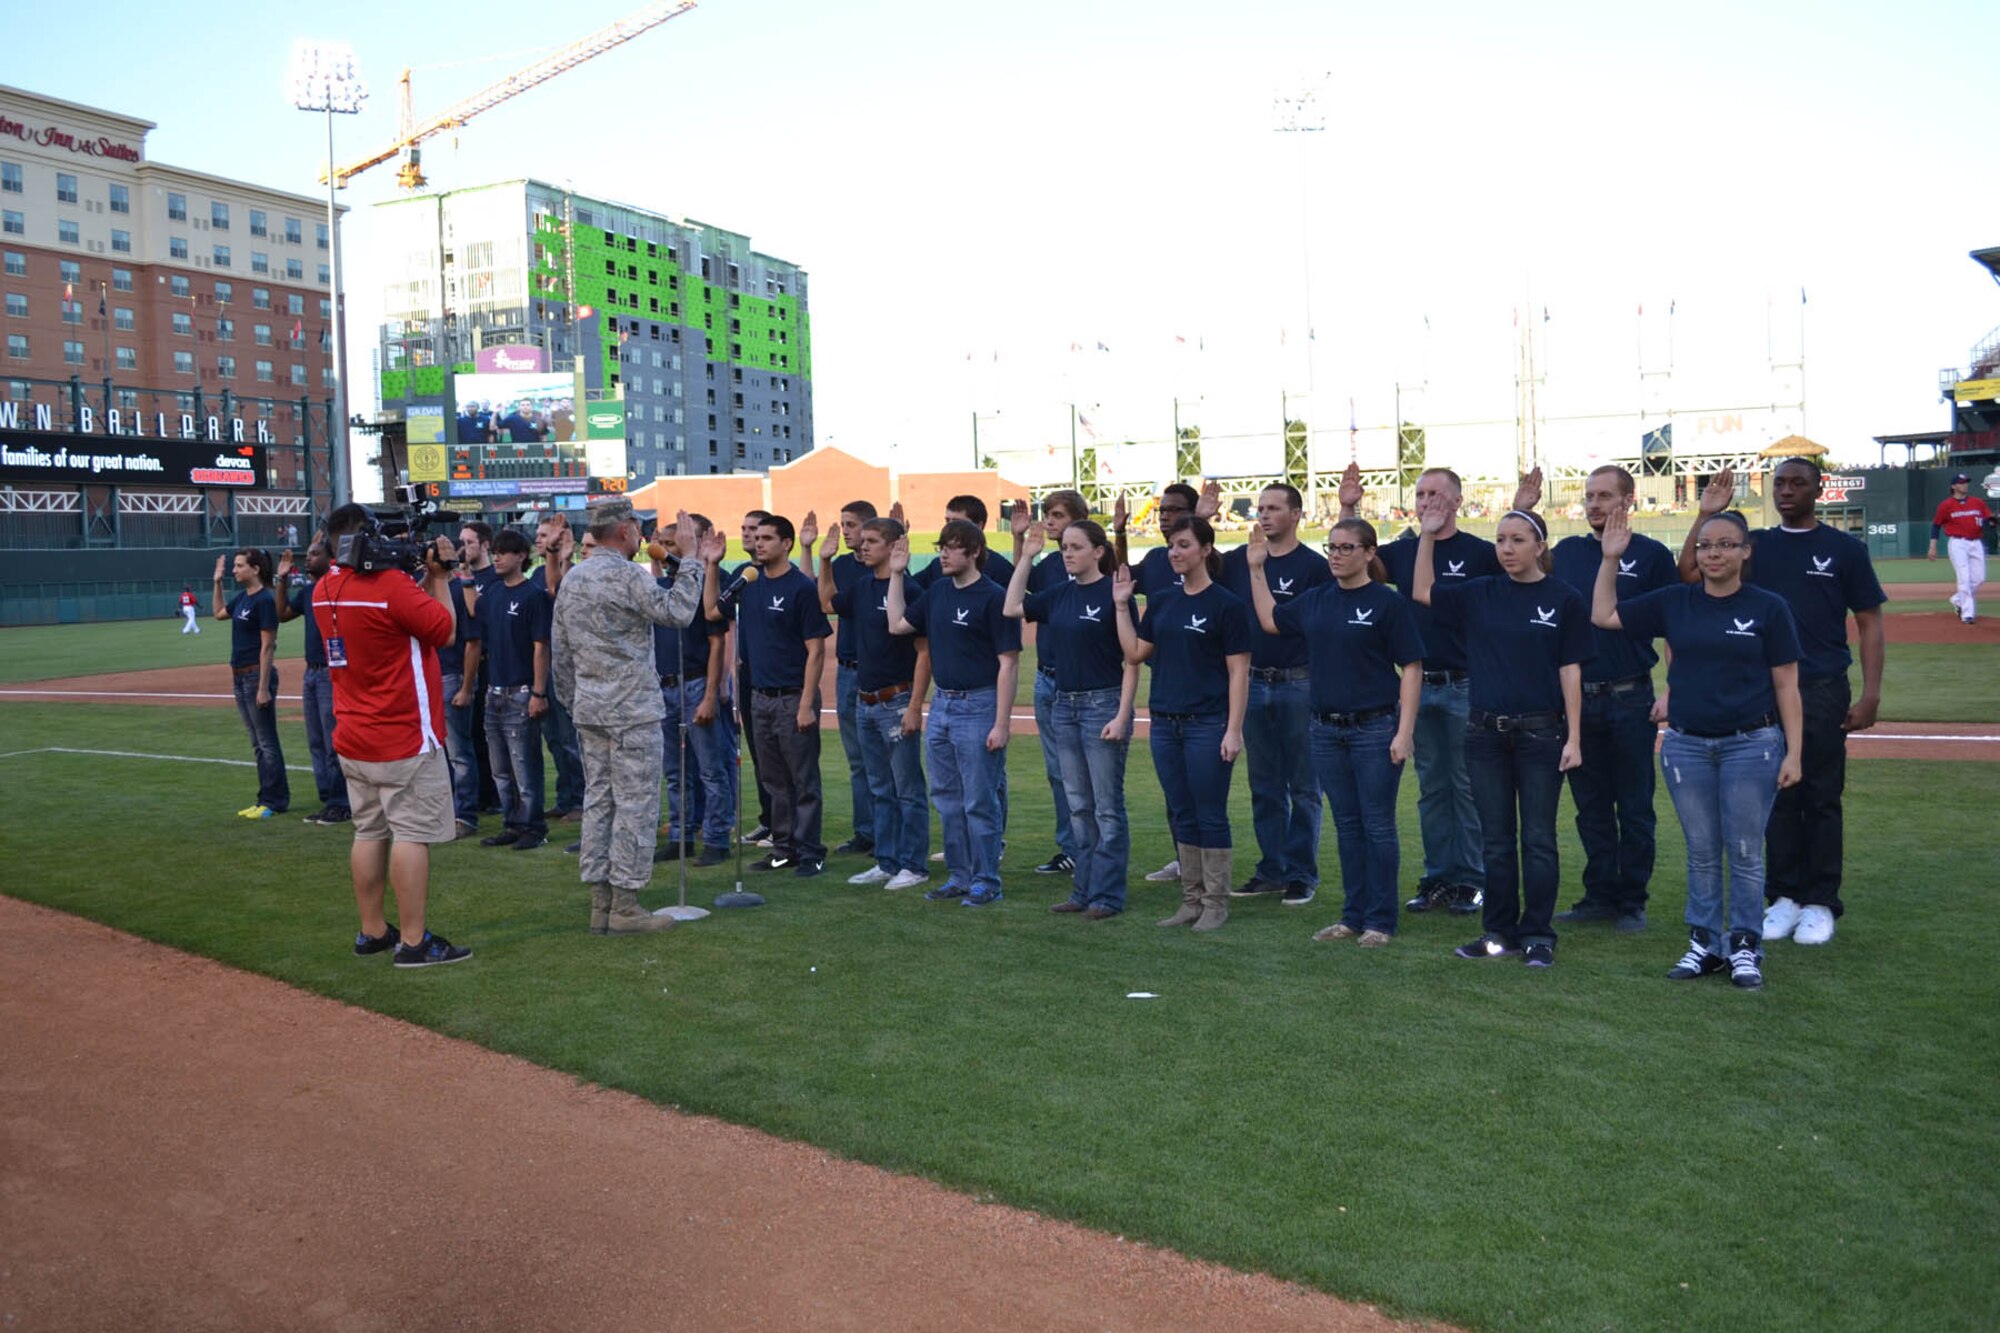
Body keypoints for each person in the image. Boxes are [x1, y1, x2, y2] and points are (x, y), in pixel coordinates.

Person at [1595, 506, 1802, 989]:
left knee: (1747, 851)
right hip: (1687, 745)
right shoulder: (1676, 601)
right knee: (1703, 852)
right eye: (1706, 545)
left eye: (1726, 544)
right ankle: (1705, 943)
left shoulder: (1769, 608)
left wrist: (1794, 751)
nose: (1714, 553)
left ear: (1745, 552)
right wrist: (1610, 561)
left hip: (1752, 744)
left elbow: (1788, 685)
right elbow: (1603, 614)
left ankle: (1745, 945)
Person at [1680, 461, 1885, 948]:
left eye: (1798, 483)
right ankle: (1785, 896)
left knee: (1820, 795)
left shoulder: (1844, 550)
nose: (1787, 491)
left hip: (1819, 687)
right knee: (1774, 799)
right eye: (1780, 484)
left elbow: (1870, 623)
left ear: (1819, 489)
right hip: (1761, 690)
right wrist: (1706, 513)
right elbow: (1689, 573)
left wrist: (1872, 692)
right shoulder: (1757, 547)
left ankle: (1819, 901)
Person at [1412, 503, 1590, 968]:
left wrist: (1573, 738)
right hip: (1484, 735)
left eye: (1517, 540)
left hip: (1541, 735)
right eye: (1500, 541)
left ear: (1540, 546)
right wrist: (1427, 535)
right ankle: (1498, 932)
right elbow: (1423, 591)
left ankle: (1538, 934)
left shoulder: (1564, 598)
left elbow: (1570, 670)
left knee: (1538, 839)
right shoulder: (1480, 593)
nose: (1507, 549)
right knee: (1495, 840)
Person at [1247, 518, 1422, 946]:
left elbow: (1413, 667)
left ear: (1369, 553)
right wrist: (1256, 569)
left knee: (1377, 825)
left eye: (1347, 548)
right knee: (1346, 825)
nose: (1337, 555)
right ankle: (1352, 916)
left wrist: (1404, 732)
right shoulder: (1315, 600)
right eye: (1332, 547)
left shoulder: (1387, 603)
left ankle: (1380, 921)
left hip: (1374, 728)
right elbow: (1271, 621)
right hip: (1325, 730)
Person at [314, 504, 471, 967]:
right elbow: (442, 630)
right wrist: (440, 578)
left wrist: (421, 578)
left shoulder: (327, 587)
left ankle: (373, 932)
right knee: (411, 834)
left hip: (355, 735)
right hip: (403, 735)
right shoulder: (389, 587)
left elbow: (405, 614)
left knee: (368, 832)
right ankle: (415, 942)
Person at [1342, 466, 1500, 916]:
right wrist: (1350, 507)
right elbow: (1358, 563)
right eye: (1420, 493)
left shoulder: (1480, 552)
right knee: (1431, 788)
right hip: (1418, 685)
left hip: (1465, 684)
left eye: (1435, 493)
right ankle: (1437, 878)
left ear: (1456, 500)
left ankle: (1471, 880)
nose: (1426, 501)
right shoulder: (1403, 549)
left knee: (1466, 787)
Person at [551, 499, 710, 935]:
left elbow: (560, 652)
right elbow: (678, 612)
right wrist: (692, 559)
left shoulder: (573, 579)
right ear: (624, 531)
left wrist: (575, 702)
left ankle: (600, 904)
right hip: (632, 712)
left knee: (599, 803)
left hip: (590, 710)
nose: (642, 538)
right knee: (636, 806)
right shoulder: (626, 576)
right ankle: (625, 905)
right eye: (638, 530)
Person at [1546, 466, 1676, 932]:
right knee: (1591, 805)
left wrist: (1671, 689)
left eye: (1605, 496)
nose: (1595, 504)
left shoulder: (1653, 555)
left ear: (1629, 499)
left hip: (1630, 696)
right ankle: (1599, 894)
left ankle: (1632, 900)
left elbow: (1675, 626)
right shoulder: (1567, 553)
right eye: (1589, 496)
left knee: (1635, 805)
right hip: (1578, 701)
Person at [1113, 515, 1251, 932]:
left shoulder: (1227, 605)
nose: (1175, 552)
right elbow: (1135, 653)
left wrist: (1233, 728)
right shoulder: (1163, 601)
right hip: (1165, 724)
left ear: (1206, 550)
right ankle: (1191, 901)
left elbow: (1239, 672)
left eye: (1184, 545)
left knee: (1210, 814)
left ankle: (1215, 903)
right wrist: (1122, 605)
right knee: (1182, 812)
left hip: (1207, 724)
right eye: (1171, 545)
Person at [1006, 517, 1139, 918]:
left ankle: (1108, 896)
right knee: (1078, 804)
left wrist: (1122, 713)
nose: (1067, 553)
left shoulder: (1115, 593)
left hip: (1103, 704)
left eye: (1076, 547)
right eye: (1063, 547)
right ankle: (1082, 891)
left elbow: (1132, 659)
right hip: (1064, 705)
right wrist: (1027, 557)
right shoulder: (1058, 594)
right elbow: (1011, 606)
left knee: (1106, 806)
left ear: (1098, 552)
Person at [890, 520, 1020, 906]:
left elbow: (1008, 663)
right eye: (941, 546)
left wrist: (1001, 723)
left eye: (952, 547)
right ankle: (960, 877)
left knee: (979, 800)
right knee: (946, 798)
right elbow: (897, 624)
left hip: (978, 706)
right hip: (942, 705)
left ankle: (986, 880)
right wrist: (897, 575)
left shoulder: (993, 597)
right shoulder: (937, 593)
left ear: (974, 551)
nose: (944, 554)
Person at [1219, 483, 1330, 906]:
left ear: (1297, 514)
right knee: (1264, 785)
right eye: (1260, 508)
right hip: (1252, 681)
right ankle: (1272, 869)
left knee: (1303, 785)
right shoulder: (1240, 561)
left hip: (1299, 681)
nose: (1263, 515)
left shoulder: (1314, 567)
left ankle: (1302, 873)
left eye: (1274, 508)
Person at [708, 512, 831, 877]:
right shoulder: (749, 583)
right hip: (759, 697)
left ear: (786, 544)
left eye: (766, 538)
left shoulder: (801, 588)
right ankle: (783, 849)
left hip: (794, 697)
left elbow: (817, 650)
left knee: (803, 780)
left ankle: (811, 852)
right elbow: (712, 610)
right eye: (756, 538)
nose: (758, 543)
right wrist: (712, 566)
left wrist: (807, 703)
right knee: (774, 780)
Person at [1114, 480, 1221, 885]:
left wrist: (1204, 523)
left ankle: (1211, 878)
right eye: (1161, 512)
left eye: (1175, 511)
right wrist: (1121, 531)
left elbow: (1215, 581)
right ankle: (1185, 864)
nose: (1165, 518)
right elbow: (1121, 574)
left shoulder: (1212, 562)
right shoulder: (1158, 559)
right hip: (1167, 689)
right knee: (1177, 796)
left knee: (1205, 799)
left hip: (1205, 696)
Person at [821, 516, 931, 891]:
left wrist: (915, 705)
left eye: (871, 541)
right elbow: (825, 602)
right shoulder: (863, 586)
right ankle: (887, 861)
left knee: (907, 789)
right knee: (880, 788)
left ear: (894, 546)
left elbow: (923, 652)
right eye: (862, 540)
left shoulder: (912, 590)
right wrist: (822, 560)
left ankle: (914, 865)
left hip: (896, 700)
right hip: (865, 701)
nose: (863, 546)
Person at [649, 515, 737, 868]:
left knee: (710, 769)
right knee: (675, 769)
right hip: (665, 685)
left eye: (674, 544)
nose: (668, 551)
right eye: (665, 545)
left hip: (697, 683)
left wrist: (711, 694)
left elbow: (718, 643)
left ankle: (717, 839)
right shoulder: (663, 586)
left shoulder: (704, 584)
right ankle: (680, 837)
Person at [1011, 488, 1090, 879]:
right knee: (1057, 771)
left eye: (1057, 515)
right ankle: (1071, 848)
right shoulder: (1050, 565)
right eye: (1049, 514)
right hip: (1047, 680)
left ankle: (1093, 849)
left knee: (1089, 774)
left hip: (1084, 684)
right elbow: (1018, 594)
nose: (1050, 521)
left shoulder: (1092, 560)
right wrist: (1020, 543)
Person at [463, 528, 551, 852]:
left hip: (522, 690)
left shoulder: (534, 596)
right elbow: (474, 614)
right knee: (501, 768)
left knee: (524, 766)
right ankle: (512, 823)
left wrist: (539, 693)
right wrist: (465, 576)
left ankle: (533, 826)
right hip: (494, 691)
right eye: (495, 552)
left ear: (521, 557)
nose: (497, 557)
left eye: (504, 552)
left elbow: (542, 646)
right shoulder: (494, 595)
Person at [802, 501, 878, 859]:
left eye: (852, 524)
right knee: (858, 759)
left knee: (886, 761)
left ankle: (887, 831)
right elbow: (821, 601)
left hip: (879, 673)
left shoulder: (883, 567)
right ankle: (866, 831)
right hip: (848, 671)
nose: (845, 530)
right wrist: (822, 558)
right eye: (843, 523)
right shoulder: (844, 566)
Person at [277, 539, 352, 826]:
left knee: (334, 740)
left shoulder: (338, 589)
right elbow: (282, 615)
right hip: (311, 671)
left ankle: (340, 802)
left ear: (331, 558)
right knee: (316, 740)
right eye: (307, 554)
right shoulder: (310, 591)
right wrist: (281, 579)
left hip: (331, 673)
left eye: (315, 554)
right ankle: (327, 797)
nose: (308, 559)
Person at [212, 547, 289, 819]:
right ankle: (263, 799)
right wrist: (217, 581)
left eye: (239, 565)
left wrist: (263, 687)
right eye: (233, 566)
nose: (234, 570)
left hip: (256, 675)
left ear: (255, 569)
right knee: (257, 742)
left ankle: (274, 801)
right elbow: (219, 612)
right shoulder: (243, 598)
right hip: (239, 675)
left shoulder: (264, 601)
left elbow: (268, 646)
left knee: (267, 742)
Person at [535, 514, 587, 823]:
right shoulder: (532, 575)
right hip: (546, 666)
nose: (542, 540)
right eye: (540, 536)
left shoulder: (575, 573)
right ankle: (565, 796)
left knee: (570, 739)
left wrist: (561, 556)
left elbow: (558, 590)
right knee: (553, 739)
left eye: (547, 535)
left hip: (569, 669)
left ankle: (580, 800)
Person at [730, 509, 778, 846]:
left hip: (775, 674)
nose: (749, 536)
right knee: (759, 753)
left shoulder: (779, 576)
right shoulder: (741, 575)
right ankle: (769, 819)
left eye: (756, 531)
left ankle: (787, 826)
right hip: (748, 673)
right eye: (745, 529)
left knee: (782, 759)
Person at [438, 555, 483, 839]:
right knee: (439, 754)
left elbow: (473, 642)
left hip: (451, 676)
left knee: (458, 753)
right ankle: (446, 813)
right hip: (432, 679)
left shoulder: (458, 590)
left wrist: (466, 687)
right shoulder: (424, 590)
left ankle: (464, 815)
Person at [1929, 471, 1994, 624]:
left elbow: (1987, 520)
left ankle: (1958, 600)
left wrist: (1992, 521)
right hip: (1958, 543)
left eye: (1966, 482)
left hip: (1976, 542)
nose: (1965, 484)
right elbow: (1936, 526)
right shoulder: (1946, 505)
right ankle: (1967, 614)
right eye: (1961, 482)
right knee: (1964, 577)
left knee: (1979, 578)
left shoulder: (1977, 502)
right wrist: (1933, 547)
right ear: (1954, 486)